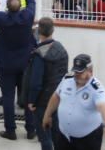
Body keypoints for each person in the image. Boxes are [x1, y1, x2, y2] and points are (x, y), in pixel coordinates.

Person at [0, 0, 37, 140]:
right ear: (20, 8)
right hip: (25, 64)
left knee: (8, 98)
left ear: (7, 8)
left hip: (6, 64)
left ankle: (11, 130)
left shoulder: (1, 19)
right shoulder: (27, 17)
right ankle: (31, 130)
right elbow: (31, 0)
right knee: (28, 96)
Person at [42, 54, 105, 149]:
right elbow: (56, 96)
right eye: (75, 71)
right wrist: (47, 115)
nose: (76, 74)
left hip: (88, 138)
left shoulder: (96, 87)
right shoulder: (67, 79)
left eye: (80, 72)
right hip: (63, 136)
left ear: (90, 71)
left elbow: (103, 105)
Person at [26, 18, 69, 150]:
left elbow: (36, 82)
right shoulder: (62, 49)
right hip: (59, 98)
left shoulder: (39, 54)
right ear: (53, 30)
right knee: (57, 134)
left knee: (45, 136)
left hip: (42, 101)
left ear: (38, 32)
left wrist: (31, 101)